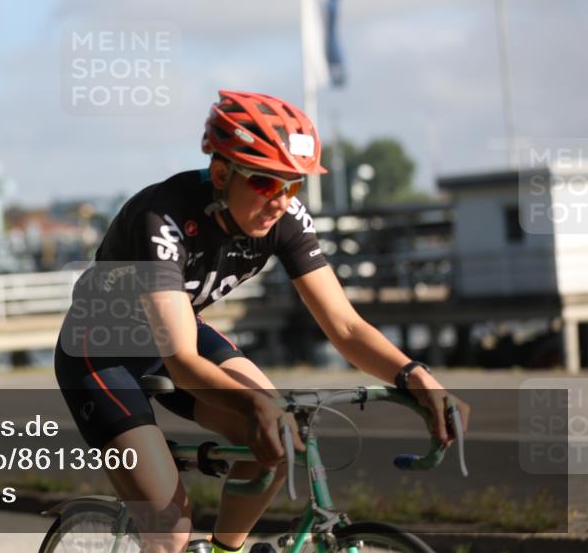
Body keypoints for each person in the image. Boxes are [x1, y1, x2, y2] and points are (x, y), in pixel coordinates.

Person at [54, 90, 470, 553]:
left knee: (279, 435)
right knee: (169, 528)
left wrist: (415, 376)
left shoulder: (284, 218)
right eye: (266, 184)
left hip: (174, 331)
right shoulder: (163, 217)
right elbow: (184, 361)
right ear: (221, 174)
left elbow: (346, 327)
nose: (280, 201)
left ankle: (224, 549)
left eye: (293, 186)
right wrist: (254, 405)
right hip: (100, 352)